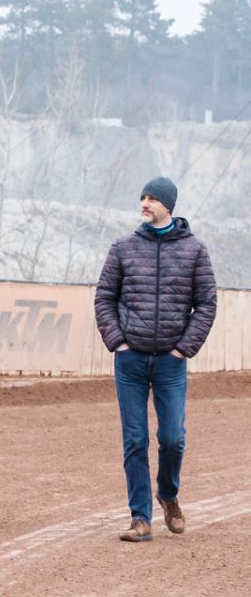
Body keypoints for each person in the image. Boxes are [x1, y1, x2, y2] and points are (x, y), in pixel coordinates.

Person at [93, 176, 218, 542]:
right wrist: (117, 341)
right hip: (130, 361)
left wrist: (183, 348)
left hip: (170, 362)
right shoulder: (122, 247)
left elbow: (207, 304)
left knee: (173, 438)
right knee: (134, 439)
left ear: (168, 206)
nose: (144, 203)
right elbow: (104, 298)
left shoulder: (195, 251)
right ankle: (140, 518)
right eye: (142, 197)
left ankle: (168, 494)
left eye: (151, 198)